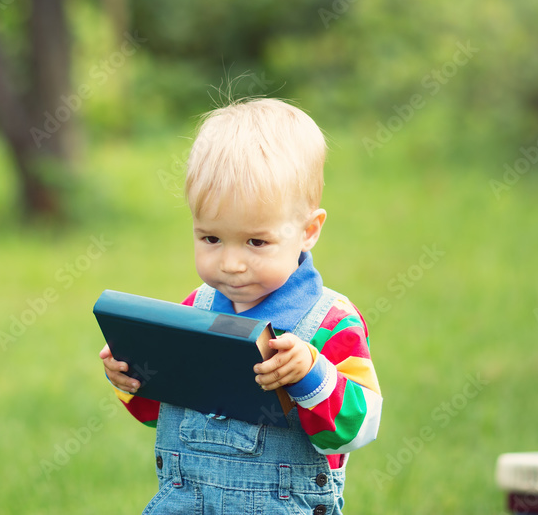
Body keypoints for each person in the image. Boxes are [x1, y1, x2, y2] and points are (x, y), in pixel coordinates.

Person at [99, 98, 383, 514]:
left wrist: (310, 374)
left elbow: (358, 430)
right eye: (211, 238)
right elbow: (163, 418)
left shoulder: (330, 323)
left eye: (256, 242)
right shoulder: (195, 309)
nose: (231, 264)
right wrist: (131, 376)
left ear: (307, 231)